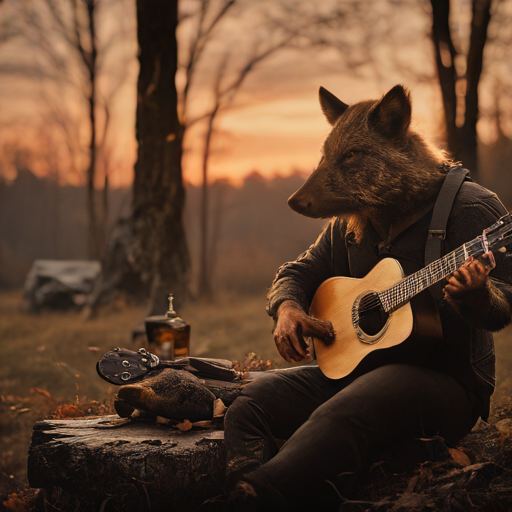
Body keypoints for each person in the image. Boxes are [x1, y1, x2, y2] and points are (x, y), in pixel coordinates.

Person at [201, 85, 512, 511]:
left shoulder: (472, 210)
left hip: (448, 382)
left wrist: (478, 296)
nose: (323, 178)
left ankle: (254, 498)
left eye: (348, 159)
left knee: (347, 410)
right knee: (250, 404)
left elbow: (505, 305)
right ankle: (246, 483)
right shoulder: (353, 218)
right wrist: (287, 308)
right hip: (361, 365)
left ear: (397, 140)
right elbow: (298, 272)